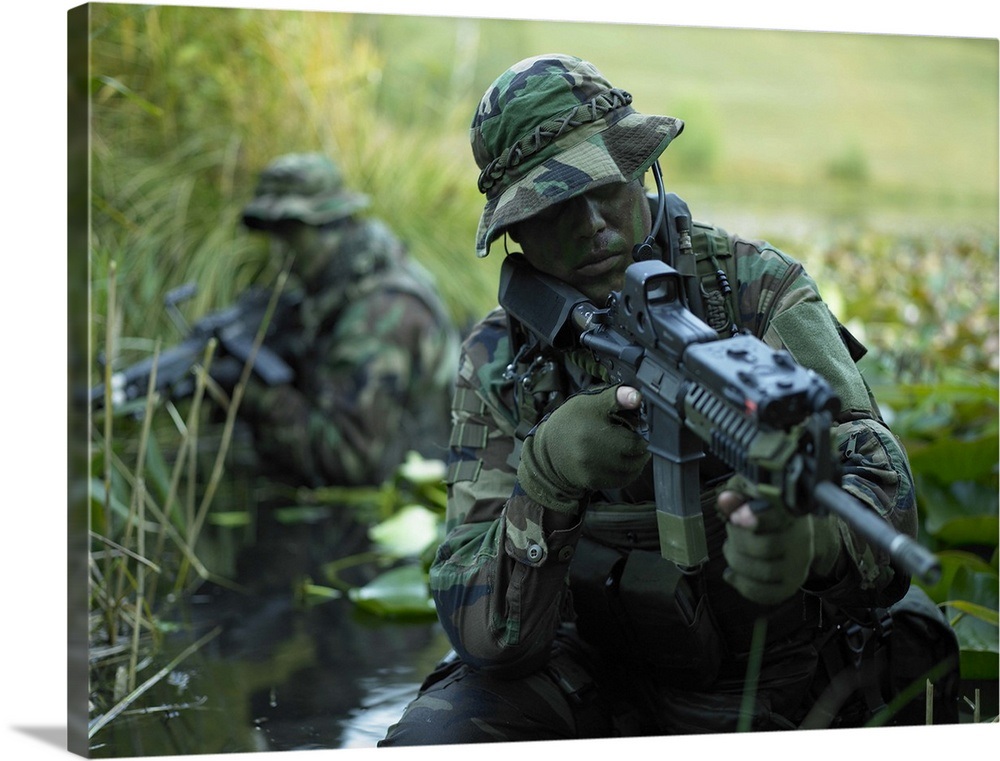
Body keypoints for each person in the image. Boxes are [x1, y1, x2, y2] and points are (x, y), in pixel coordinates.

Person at [379, 54, 945, 744]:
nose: (592, 225)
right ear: (515, 233)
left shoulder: (754, 288)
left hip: (778, 671)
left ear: (641, 169)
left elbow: (884, 480)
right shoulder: (499, 358)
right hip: (601, 677)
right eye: (553, 207)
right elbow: (483, 630)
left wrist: (817, 541)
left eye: (607, 187)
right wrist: (546, 477)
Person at [236, 152, 460, 490]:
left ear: (331, 226)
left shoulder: (378, 314)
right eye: (273, 235)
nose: (279, 253)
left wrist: (260, 399)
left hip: (412, 505)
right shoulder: (348, 284)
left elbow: (351, 460)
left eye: (291, 233)